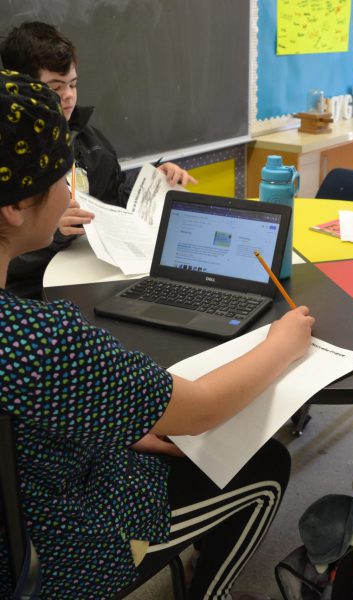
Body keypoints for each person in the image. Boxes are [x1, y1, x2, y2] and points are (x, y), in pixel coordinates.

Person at [0, 71, 313, 599]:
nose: (72, 190)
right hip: (60, 547)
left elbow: (29, 422)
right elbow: (201, 409)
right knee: (266, 466)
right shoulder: (39, 341)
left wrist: (120, 422)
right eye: (63, 178)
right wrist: (283, 342)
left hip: (32, 492)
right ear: (15, 206)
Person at [0, 21, 197, 298]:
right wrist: (54, 231)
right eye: (56, 88)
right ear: (25, 88)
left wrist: (152, 179)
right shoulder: (10, 155)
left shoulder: (89, 141)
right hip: (31, 295)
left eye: (73, 84)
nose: (68, 96)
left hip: (94, 277)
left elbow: (112, 198)